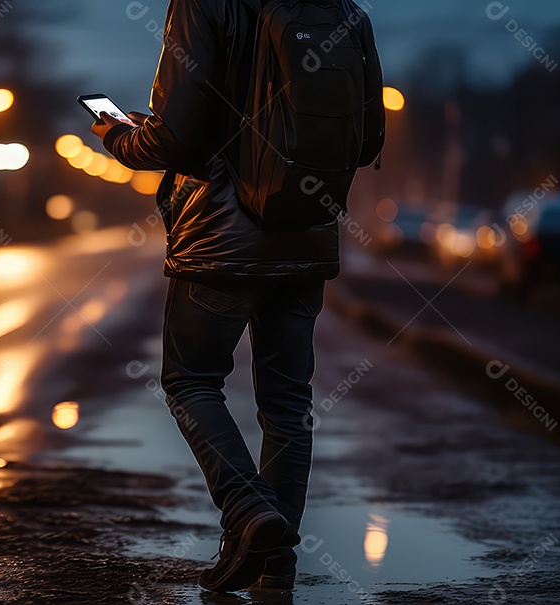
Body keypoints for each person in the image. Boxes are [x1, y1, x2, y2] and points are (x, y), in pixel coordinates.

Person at [90, 0, 384, 593]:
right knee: (287, 404)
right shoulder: (342, 8)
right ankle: (275, 571)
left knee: (190, 380)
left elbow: (174, 137)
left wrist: (120, 136)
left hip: (222, 232)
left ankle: (248, 512)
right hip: (305, 230)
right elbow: (367, 137)